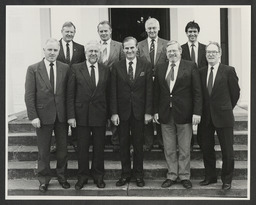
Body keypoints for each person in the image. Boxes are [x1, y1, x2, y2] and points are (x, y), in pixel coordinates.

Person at [154, 40, 202, 189]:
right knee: (168, 147)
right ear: (166, 54)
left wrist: (197, 112)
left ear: (180, 52)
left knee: (184, 147)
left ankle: (184, 176)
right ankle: (172, 175)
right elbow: (156, 92)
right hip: (165, 113)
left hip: (184, 113)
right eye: (169, 52)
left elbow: (197, 92)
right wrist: (155, 110)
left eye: (175, 51)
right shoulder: (160, 67)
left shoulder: (190, 66)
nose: (172, 54)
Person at [25, 38, 70, 193]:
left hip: (61, 116)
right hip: (42, 116)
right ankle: (44, 179)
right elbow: (29, 95)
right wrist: (33, 116)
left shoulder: (65, 68)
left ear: (59, 51)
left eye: (55, 50)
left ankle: (62, 177)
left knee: (63, 150)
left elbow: (69, 94)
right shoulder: (33, 69)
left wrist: (70, 116)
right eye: (49, 50)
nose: (52, 53)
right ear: (43, 50)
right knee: (43, 151)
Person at [67, 41, 110, 189]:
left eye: (96, 52)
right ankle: (82, 176)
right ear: (85, 53)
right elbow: (70, 94)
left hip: (99, 114)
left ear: (100, 54)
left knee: (99, 147)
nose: (93, 54)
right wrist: (71, 116)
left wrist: (109, 114)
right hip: (81, 115)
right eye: (90, 51)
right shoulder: (76, 68)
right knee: (83, 148)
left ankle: (98, 176)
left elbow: (108, 94)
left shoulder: (105, 69)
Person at [110, 37, 153, 187]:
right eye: (126, 48)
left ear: (137, 49)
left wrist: (148, 112)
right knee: (123, 145)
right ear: (123, 50)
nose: (129, 51)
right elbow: (113, 91)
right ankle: (125, 174)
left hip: (139, 113)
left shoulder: (145, 66)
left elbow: (149, 90)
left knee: (138, 145)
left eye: (132, 48)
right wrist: (114, 112)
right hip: (122, 114)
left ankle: (139, 175)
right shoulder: (116, 66)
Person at [198, 42, 240, 190]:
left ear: (219, 54)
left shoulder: (228, 71)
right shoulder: (201, 71)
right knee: (207, 148)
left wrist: (226, 108)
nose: (210, 54)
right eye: (208, 52)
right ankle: (210, 177)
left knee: (227, 150)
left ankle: (227, 180)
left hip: (224, 116)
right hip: (206, 117)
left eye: (214, 52)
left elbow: (235, 93)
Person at [50, 21, 86, 153]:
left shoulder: (81, 48)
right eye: (67, 32)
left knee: (74, 111)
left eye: (72, 32)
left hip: (76, 86)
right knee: (58, 114)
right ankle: (59, 142)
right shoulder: (54, 46)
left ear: (74, 33)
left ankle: (75, 140)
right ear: (62, 32)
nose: (69, 34)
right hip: (58, 85)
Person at [137, 17, 168, 151]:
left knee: (161, 110)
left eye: (154, 28)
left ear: (158, 29)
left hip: (162, 83)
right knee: (147, 110)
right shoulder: (139, 45)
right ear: (145, 29)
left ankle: (162, 141)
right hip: (145, 84)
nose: (152, 30)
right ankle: (148, 142)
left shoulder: (166, 44)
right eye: (149, 28)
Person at [97, 20, 125, 152]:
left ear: (110, 31)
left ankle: (116, 141)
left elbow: (123, 64)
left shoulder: (119, 46)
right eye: (101, 31)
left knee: (115, 111)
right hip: (98, 86)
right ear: (98, 32)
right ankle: (99, 141)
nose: (103, 33)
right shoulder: (94, 46)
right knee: (101, 113)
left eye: (105, 30)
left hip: (115, 85)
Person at [181, 20, 208, 149]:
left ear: (198, 33)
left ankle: (202, 142)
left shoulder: (205, 48)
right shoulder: (181, 49)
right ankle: (189, 143)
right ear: (186, 33)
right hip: (186, 87)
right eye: (190, 31)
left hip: (202, 86)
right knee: (187, 115)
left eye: (195, 32)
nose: (192, 34)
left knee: (201, 113)